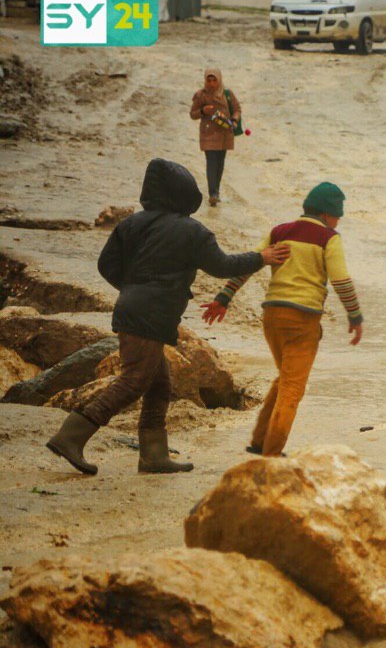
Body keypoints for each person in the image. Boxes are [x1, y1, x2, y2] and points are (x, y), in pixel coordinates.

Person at [45, 159, 290, 476]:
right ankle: (70, 437)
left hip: (131, 307)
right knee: (133, 381)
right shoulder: (192, 231)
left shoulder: (130, 225)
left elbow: (106, 265)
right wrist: (261, 257)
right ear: (184, 195)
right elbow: (222, 266)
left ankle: (153, 455)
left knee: (160, 384)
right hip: (152, 314)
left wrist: (134, 288)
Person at [201, 182, 364, 458]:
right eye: (338, 216)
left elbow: (251, 263)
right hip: (303, 319)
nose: (338, 222)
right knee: (292, 387)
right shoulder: (329, 238)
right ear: (326, 215)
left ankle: (259, 440)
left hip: (272, 316)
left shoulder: (279, 232)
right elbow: (341, 281)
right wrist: (355, 316)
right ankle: (272, 454)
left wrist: (224, 298)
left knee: (285, 378)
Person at [189, 69, 240, 207]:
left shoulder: (227, 94)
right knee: (211, 162)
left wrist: (234, 120)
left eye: (214, 80)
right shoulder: (200, 95)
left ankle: (216, 191)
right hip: (209, 133)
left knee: (220, 163)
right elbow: (192, 114)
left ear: (219, 80)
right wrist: (202, 111)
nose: (211, 84)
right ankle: (212, 193)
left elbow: (236, 109)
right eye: (209, 80)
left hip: (225, 133)